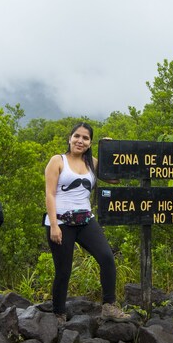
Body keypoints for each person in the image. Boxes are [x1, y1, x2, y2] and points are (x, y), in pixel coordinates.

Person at [44, 123, 130, 322]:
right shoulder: (58, 161)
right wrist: (54, 225)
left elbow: (114, 179)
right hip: (61, 222)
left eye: (85, 138)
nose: (80, 141)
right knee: (63, 270)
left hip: (85, 220)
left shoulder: (92, 162)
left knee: (107, 258)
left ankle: (109, 307)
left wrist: (109, 151)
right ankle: (58, 313)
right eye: (77, 136)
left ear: (90, 142)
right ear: (70, 138)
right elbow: (49, 194)